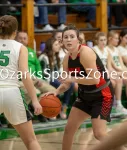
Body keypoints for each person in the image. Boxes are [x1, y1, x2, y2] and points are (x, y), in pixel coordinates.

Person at [44, 25, 117, 150]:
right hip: (84, 95)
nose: (68, 39)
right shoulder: (66, 59)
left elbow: (95, 79)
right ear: (62, 41)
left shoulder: (86, 52)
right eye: (65, 37)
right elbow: (66, 83)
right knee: (69, 130)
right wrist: (55, 92)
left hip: (103, 95)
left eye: (72, 37)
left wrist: (72, 79)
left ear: (78, 40)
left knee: (99, 134)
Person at [0, 15, 42, 149]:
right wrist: (35, 100)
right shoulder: (20, 47)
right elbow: (25, 74)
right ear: (15, 32)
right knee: (31, 141)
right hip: (12, 92)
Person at [93, 32, 127, 116]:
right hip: (97, 73)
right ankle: (106, 108)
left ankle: (118, 105)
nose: (103, 42)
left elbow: (109, 67)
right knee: (112, 82)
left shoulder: (107, 51)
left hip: (105, 72)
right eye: (101, 40)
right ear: (97, 41)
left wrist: (117, 73)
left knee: (119, 79)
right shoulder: (94, 50)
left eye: (104, 40)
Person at [39, 38, 74, 119]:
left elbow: (57, 72)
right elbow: (44, 74)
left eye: (58, 44)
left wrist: (62, 78)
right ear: (50, 46)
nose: (59, 46)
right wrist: (59, 79)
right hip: (46, 80)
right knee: (59, 84)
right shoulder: (44, 57)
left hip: (55, 79)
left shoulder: (56, 56)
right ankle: (53, 108)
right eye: (56, 45)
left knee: (70, 84)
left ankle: (64, 107)